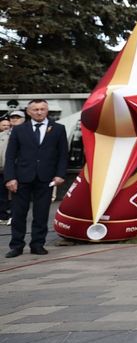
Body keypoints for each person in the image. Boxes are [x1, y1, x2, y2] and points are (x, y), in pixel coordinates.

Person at [5, 100, 67, 257]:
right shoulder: (19, 130)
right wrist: (10, 178)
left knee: (41, 213)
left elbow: (62, 154)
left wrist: (60, 174)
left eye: (42, 109)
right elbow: (10, 155)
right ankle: (16, 246)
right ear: (28, 112)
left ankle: (38, 244)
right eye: (35, 109)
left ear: (47, 110)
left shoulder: (58, 129)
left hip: (46, 178)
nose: (39, 112)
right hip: (21, 178)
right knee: (18, 214)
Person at [0, 116, 11, 225]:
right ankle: (3, 216)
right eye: (4, 125)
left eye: (8, 125)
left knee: (8, 195)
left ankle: (9, 215)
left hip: (7, 169)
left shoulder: (12, 136)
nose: (6, 127)